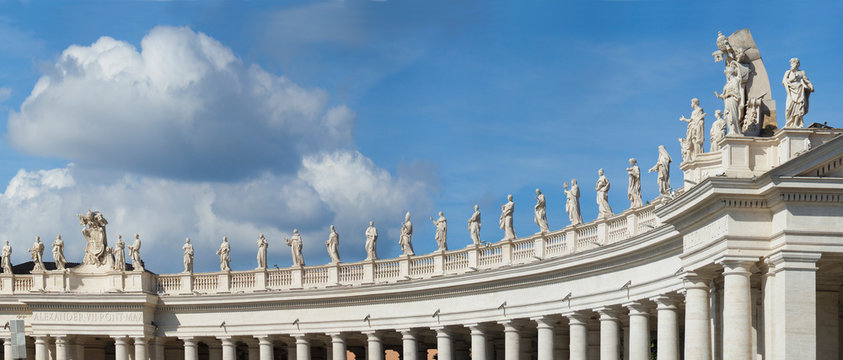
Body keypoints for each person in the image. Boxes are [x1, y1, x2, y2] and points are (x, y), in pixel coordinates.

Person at [782, 57, 814, 128]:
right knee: (788, 108)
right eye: (791, 63)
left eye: (793, 62)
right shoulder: (788, 72)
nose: (792, 64)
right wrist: (792, 79)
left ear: (797, 64)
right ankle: (788, 123)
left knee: (799, 107)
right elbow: (784, 81)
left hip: (800, 91)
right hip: (791, 92)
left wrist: (810, 86)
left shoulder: (802, 72)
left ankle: (796, 123)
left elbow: (806, 80)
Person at [715, 62, 744, 136]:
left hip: (732, 100)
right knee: (727, 116)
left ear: (730, 73)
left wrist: (728, 94)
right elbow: (724, 94)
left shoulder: (735, 81)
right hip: (727, 101)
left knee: (733, 116)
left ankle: (735, 131)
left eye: (727, 73)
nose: (726, 75)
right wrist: (719, 96)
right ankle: (731, 130)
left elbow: (737, 93)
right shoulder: (728, 84)